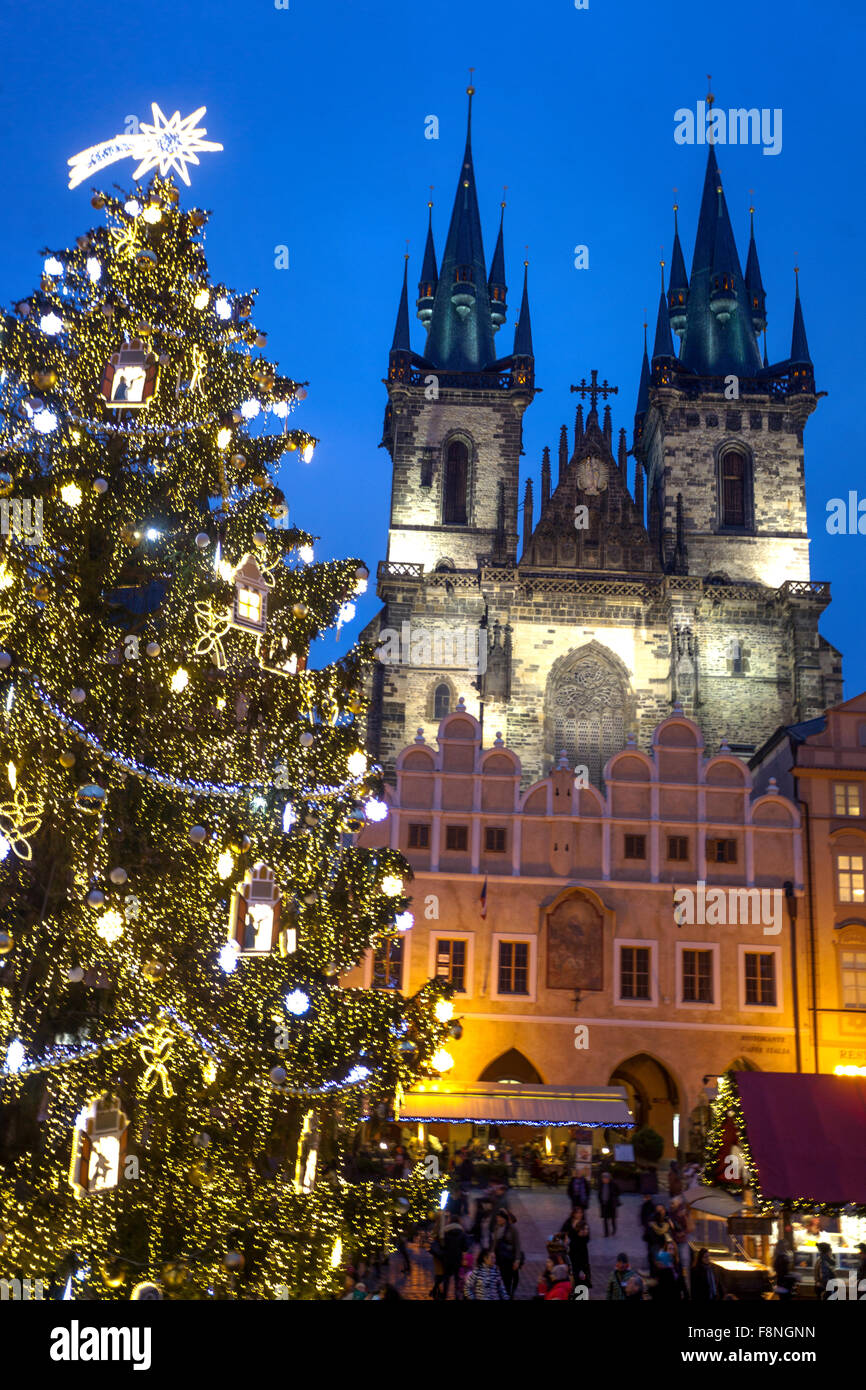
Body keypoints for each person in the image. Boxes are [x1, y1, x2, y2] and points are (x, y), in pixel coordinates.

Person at [491, 1209, 522, 1298]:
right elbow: (494, 1242)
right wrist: (492, 1252)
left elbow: (517, 1244)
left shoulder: (512, 1229)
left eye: (500, 1218)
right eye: (497, 1218)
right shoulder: (496, 1227)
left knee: (507, 1280)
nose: (498, 1220)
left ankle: (507, 1295)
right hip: (499, 1258)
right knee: (498, 1280)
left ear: (504, 1218)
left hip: (509, 1258)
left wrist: (517, 1260)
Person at [560, 1207, 592, 1287]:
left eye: (581, 1213)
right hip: (571, 1250)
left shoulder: (584, 1224)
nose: (579, 1214)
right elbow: (563, 1233)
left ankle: (582, 1286)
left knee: (582, 1269)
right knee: (572, 1269)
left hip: (581, 1251)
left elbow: (587, 1238)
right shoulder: (569, 1222)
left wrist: (583, 1235)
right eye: (578, 1212)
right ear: (574, 1214)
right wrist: (566, 1237)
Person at [669, 1195, 692, 1291]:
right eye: (671, 1203)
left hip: (682, 1241)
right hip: (674, 1241)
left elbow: (689, 1227)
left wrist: (683, 1233)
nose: (671, 1205)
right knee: (674, 1262)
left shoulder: (683, 1213)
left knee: (684, 1262)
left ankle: (686, 1285)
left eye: (673, 1203)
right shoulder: (671, 1213)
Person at [598, 1170, 621, 1238]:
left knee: (613, 1219)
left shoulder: (613, 1184)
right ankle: (606, 1233)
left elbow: (619, 1192)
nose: (604, 1179)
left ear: (609, 1178)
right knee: (605, 1219)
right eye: (603, 1178)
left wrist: (614, 1195)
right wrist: (600, 1200)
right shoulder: (601, 1184)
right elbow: (599, 1193)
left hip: (611, 1204)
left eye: (605, 1178)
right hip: (604, 1204)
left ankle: (614, 1229)